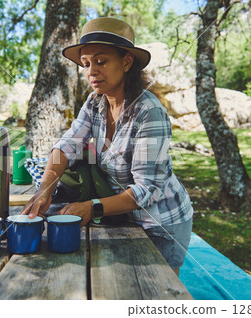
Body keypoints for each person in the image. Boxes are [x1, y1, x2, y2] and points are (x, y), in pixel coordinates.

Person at [22, 17, 193, 275]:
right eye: (87, 63)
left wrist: (93, 207)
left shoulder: (148, 112)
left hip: (162, 223)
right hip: (124, 217)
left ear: (126, 62)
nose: (91, 71)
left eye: (101, 61)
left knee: (157, 292)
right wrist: (46, 187)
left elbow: (148, 190)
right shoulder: (95, 102)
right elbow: (67, 144)